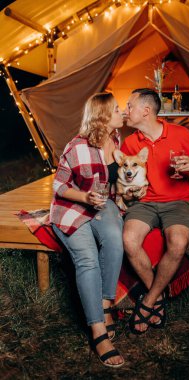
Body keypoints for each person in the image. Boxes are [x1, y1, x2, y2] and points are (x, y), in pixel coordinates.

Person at [121, 88, 189, 334]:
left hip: (177, 202)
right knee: (129, 240)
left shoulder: (180, 133)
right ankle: (157, 298)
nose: (126, 111)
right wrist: (127, 192)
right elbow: (126, 175)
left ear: (146, 111)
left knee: (179, 242)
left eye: (130, 106)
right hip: (144, 202)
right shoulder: (130, 141)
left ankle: (148, 301)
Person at [50, 92, 125, 368]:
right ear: (103, 116)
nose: (122, 113)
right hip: (72, 207)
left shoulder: (117, 140)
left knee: (116, 240)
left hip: (101, 205)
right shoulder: (77, 147)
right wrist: (84, 198)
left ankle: (106, 303)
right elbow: (58, 186)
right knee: (88, 259)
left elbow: (113, 181)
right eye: (117, 109)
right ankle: (98, 332)